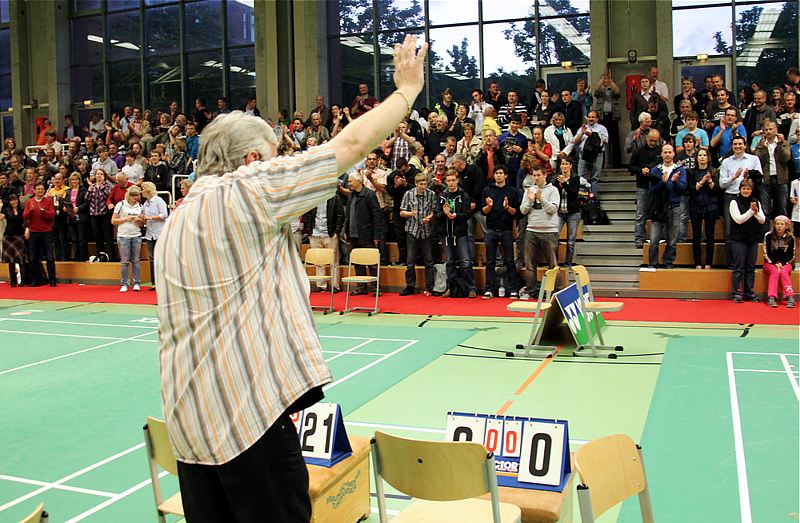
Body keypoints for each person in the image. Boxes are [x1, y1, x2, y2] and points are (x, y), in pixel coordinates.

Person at [155, 36, 427, 521]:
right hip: (247, 424)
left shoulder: (176, 218)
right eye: (276, 155)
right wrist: (406, 90)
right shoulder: (249, 189)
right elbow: (351, 145)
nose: (283, 163)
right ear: (253, 162)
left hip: (189, 429)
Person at [481, 165, 521, 299]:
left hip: (506, 230)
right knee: (490, 262)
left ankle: (513, 289)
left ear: (505, 175)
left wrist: (507, 207)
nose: (498, 175)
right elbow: (483, 212)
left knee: (509, 261)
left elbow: (516, 212)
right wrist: (489, 206)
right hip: (491, 229)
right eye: (496, 173)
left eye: (500, 173)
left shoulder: (512, 192)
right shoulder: (487, 190)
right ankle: (489, 289)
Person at [520, 165, 559, 298]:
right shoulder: (529, 191)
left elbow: (552, 209)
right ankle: (530, 291)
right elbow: (522, 210)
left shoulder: (553, 190)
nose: (536, 178)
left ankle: (552, 292)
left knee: (552, 265)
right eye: (534, 175)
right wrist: (530, 201)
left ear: (545, 175)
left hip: (549, 231)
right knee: (530, 265)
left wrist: (541, 198)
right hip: (532, 229)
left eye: (538, 175)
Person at [647, 144, 687, 269]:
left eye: (670, 152)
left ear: (674, 154)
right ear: (662, 154)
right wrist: (662, 183)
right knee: (654, 239)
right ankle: (652, 263)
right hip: (658, 208)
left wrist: (673, 183)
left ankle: (668, 262)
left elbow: (682, 188)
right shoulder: (655, 170)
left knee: (672, 238)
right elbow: (652, 190)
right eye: (665, 152)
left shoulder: (680, 169)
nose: (668, 155)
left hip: (674, 206)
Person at [437, 169, 476, 298]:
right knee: (450, 262)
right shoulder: (442, 196)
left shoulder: (464, 196)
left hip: (460, 233)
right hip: (446, 234)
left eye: (453, 180)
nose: (451, 183)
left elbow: (467, 214)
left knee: (466, 261)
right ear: (445, 181)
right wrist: (445, 214)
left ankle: (471, 288)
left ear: (457, 180)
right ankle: (452, 288)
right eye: (448, 181)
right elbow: (437, 215)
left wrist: (455, 216)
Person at [399, 172, 436, 296]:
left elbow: (433, 211)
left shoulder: (431, 195)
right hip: (412, 230)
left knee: (429, 260)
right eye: (421, 184)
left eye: (425, 184)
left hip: (426, 230)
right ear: (416, 184)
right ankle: (410, 286)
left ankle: (430, 287)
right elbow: (401, 212)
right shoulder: (408, 194)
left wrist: (429, 217)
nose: (423, 186)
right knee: (410, 261)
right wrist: (410, 214)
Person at [729, 179, 765, 302]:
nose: (746, 191)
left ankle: (749, 292)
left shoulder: (756, 201)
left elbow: (762, 220)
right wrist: (751, 211)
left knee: (751, 267)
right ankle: (736, 293)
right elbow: (738, 219)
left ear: (752, 190)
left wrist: (755, 212)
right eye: (744, 188)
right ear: (740, 189)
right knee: (739, 267)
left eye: (748, 189)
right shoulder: (734, 202)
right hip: (738, 239)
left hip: (752, 239)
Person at [687, 149, 720, 269]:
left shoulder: (714, 171)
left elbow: (717, 190)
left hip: (711, 206)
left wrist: (710, 181)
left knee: (710, 235)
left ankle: (708, 263)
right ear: (696, 158)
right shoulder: (690, 172)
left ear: (708, 157)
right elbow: (690, 189)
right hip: (695, 206)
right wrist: (701, 182)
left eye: (704, 155)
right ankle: (697, 263)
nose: (702, 157)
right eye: (700, 155)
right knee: (696, 235)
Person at [23, 182, 57, 286]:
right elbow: (24, 216)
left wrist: (43, 211)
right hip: (34, 232)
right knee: (34, 257)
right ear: (34, 190)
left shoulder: (48, 201)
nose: (40, 191)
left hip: (46, 232)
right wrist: (30, 211)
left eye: (42, 189)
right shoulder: (29, 202)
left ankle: (52, 279)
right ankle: (37, 279)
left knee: (49, 257)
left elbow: (52, 215)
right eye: (38, 189)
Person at [111, 185, 143, 292]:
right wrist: (126, 219)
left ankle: (136, 282)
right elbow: (113, 221)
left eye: (138, 196)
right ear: (129, 196)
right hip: (123, 235)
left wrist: (139, 220)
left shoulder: (140, 206)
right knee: (124, 261)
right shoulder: (121, 205)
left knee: (136, 260)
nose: (136, 198)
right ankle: (124, 283)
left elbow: (143, 224)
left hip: (136, 235)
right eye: (134, 196)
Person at [762, 216, 795, 308]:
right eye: (777, 224)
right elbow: (766, 252)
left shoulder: (791, 238)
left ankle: (790, 296)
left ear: (786, 226)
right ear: (774, 225)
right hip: (770, 263)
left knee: (784, 272)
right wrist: (774, 263)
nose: (779, 226)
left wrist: (782, 263)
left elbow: (791, 255)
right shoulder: (768, 236)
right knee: (775, 272)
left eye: (782, 224)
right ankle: (771, 297)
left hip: (785, 263)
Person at [554, 156, 581, 267]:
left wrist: (565, 184)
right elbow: (555, 193)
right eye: (563, 164)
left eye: (566, 164)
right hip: (560, 212)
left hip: (573, 213)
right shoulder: (556, 179)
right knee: (554, 237)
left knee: (570, 240)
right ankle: (554, 262)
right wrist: (560, 185)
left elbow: (573, 194)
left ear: (570, 166)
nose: (564, 166)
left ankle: (568, 263)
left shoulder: (575, 179)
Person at [140, 182, 168, 291]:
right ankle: (154, 282)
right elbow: (143, 215)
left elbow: (164, 215)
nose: (141, 192)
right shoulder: (145, 204)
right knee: (152, 259)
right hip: (150, 233)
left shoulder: (158, 200)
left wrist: (150, 217)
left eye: (143, 189)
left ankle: (163, 281)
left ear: (148, 190)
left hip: (159, 232)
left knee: (161, 258)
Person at [86, 169, 115, 261]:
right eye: (97, 174)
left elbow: (109, 197)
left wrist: (102, 187)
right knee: (97, 236)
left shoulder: (108, 186)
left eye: (101, 174)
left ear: (104, 176)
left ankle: (111, 257)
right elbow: (87, 198)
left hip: (104, 214)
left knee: (107, 236)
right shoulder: (92, 186)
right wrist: (90, 189)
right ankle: (100, 256)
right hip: (94, 214)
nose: (99, 176)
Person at [0, 194, 26, 286]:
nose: (13, 202)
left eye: (14, 200)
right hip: (8, 237)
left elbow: (26, 221)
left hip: (19, 236)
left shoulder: (22, 210)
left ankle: (23, 280)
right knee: (10, 261)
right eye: (11, 201)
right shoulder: (6, 210)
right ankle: (13, 281)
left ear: (17, 200)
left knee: (21, 259)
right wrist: (0, 207)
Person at [65, 173, 89, 261]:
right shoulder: (68, 191)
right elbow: (66, 202)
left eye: (76, 179)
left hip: (81, 216)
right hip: (71, 217)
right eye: (72, 180)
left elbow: (87, 203)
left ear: (79, 180)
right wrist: (65, 208)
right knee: (74, 239)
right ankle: (77, 257)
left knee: (82, 238)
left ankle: (83, 257)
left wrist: (78, 208)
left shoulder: (83, 190)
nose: (74, 181)